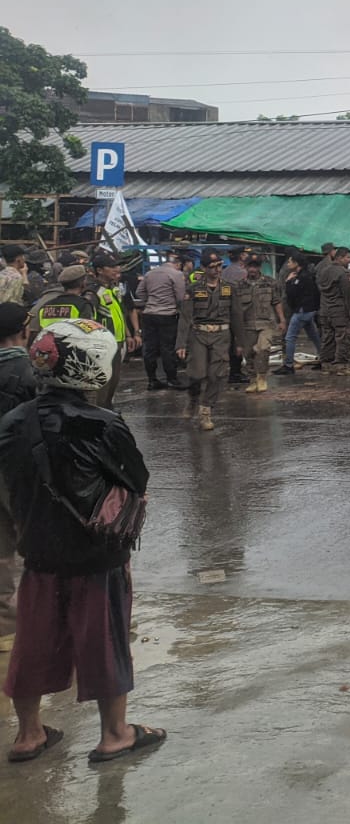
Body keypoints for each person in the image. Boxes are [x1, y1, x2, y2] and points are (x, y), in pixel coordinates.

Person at [0, 319, 163, 764]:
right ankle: (115, 734)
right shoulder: (103, 423)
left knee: (32, 642)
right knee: (105, 641)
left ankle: (29, 734)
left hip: (38, 554)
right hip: (97, 558)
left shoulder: (13, 421)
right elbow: (137, 478)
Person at [0, 302, 38, 666]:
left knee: (1, 551)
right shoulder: (30, 372)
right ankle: (43, 619)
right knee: (37, 545)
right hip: (19, 473)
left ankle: (5, 629)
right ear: (24, 331)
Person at [178, 251, 243, 431]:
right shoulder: (194, 288)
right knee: (197, 373)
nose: (217, 270)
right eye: (212, 267)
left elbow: (237, 315)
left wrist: (240, 342)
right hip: (199, 335)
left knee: (217, 374)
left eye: (219, 266)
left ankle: (206, 411)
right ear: (204, 268)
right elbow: (185, 317)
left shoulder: (230, 288)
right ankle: (193, 397)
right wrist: (181, 344)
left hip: (221, 335)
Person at [134, 251, 190, 390]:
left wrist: (152, 300)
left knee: (150, 348)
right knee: (168, 348)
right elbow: (180, 297)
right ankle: (172, 379)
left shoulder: (150, 273)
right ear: (178, 265)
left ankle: (152, 380)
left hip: (149, 314)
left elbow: (139, 293)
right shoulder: (177, 274)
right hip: (168, 315)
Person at [88, 254, 137, 408]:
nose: (117, 269)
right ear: (100, 270)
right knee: (103, 382)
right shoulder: (93, 293)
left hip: (118, 342)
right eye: (112, 266)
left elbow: (121, 314)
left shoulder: (114, 289)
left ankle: (108, 409)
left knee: (114, 380)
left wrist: (129, 335)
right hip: (103, 344)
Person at [237, 256, 284, 393]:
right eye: (250, 266)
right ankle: (253, 379)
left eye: (255, 266)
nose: (253, 269)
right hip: (247, 324)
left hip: (266, 323)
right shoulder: (239, 285)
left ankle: (262, 377)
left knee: (263, 349)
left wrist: (282, 320)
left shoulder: (270, 283)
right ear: (245, 267)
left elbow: (276, 301)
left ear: (259, 267)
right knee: (248, 353)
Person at [314, 246, 350, 375]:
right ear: (339, 257)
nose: (349, 260)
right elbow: (349, 295)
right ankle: (340, 364)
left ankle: (326, 363)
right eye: (347, 257)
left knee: (328, 337)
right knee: (343, 338)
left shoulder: (323, 271)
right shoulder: (343, 274)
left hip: (325, 310)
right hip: (339, 311)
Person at [276, 253, 322, 377]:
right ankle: (324, 358)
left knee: (290, 337)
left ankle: (288, 365)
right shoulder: (306, 276)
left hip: (303, 311)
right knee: (314, 335)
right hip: (307, 310)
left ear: (297, 263)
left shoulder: (301, 278)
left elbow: (292, 294)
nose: (288, 264)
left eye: (290, 262)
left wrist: (288, 282)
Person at [26, 264, 97, 339]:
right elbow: (89, 335)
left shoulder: (46, 306)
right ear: (83, 283)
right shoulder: (83, 305)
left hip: (49, 348)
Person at [221, 249, 250, 385]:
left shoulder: (224, 271)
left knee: (231, 343)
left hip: (225, 311)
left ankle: (233, 372)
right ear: (242, 256)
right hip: (239, 310)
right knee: (239, 343)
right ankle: (236, 373)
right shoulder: (242, 273)